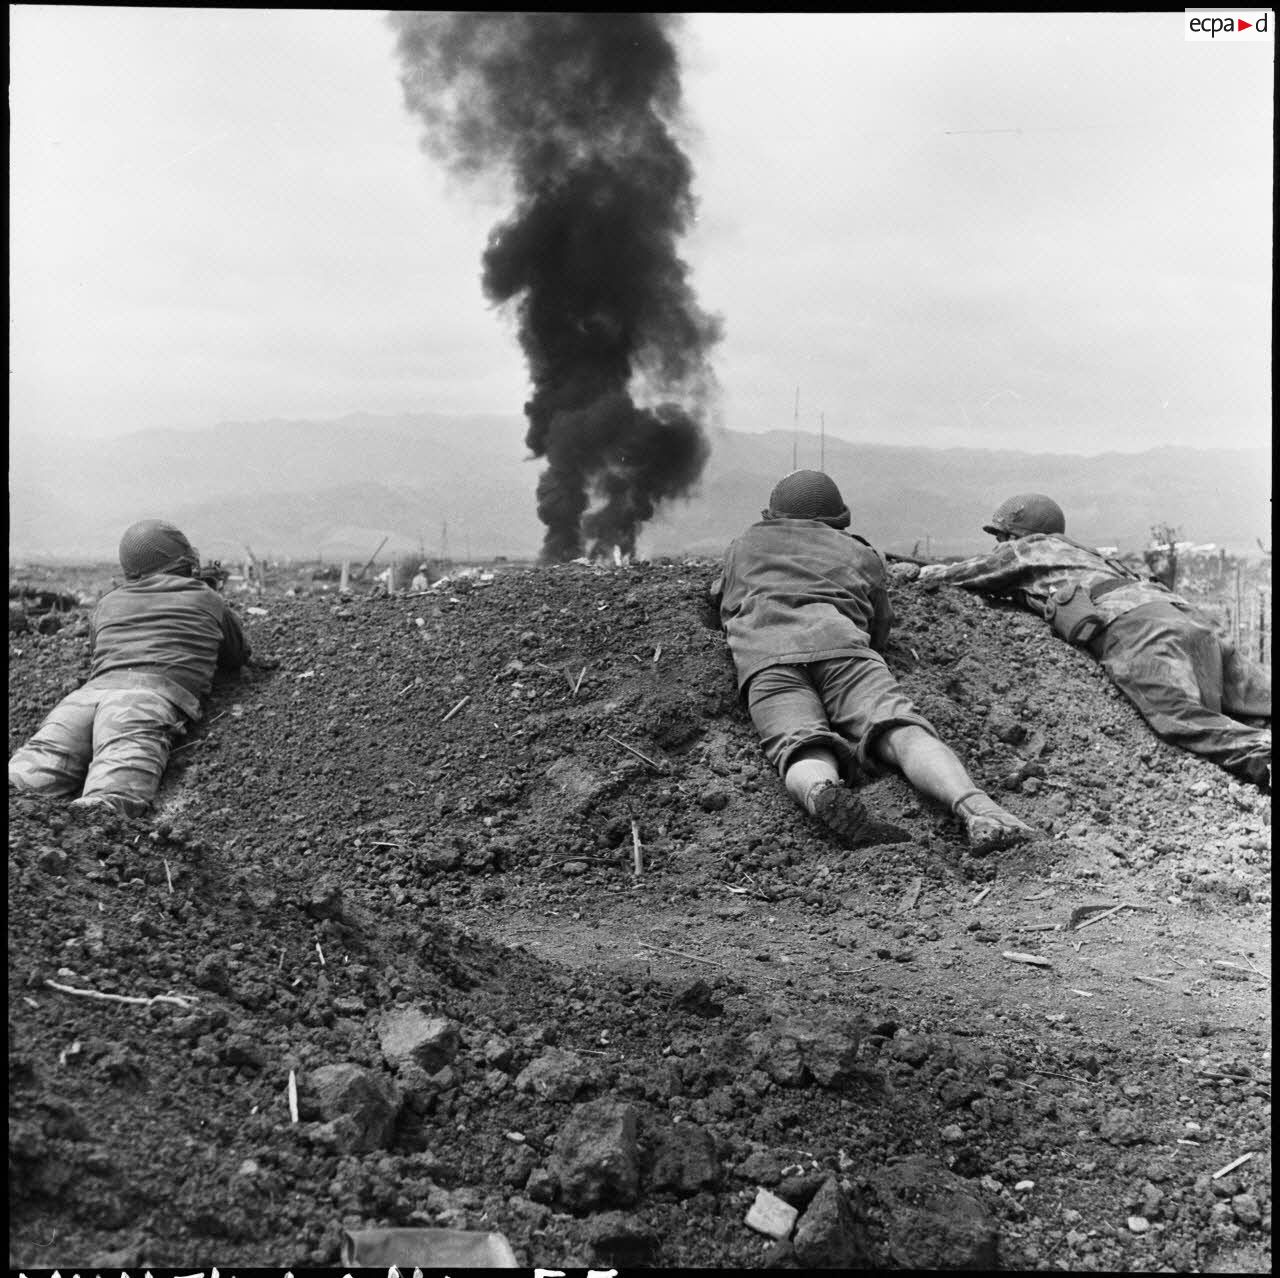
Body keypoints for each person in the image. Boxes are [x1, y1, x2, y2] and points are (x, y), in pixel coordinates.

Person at [710, 470, 1035, 853]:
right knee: (904, 733)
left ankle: (820, 792)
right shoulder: (861, 553)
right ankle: (978, 808)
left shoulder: (742, 546)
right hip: (846, 651)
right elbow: (880, 626)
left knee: (801, 745)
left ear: (774, 511)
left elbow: (722, 604)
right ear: (837, 516)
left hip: (767, 657)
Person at [897, 493, 1271, 789]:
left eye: (999, 538)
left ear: (1013, 535)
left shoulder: (1027, 548)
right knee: (1258, 699)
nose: (997, 546)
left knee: (1182, 718)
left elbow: (953, 576)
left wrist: (906, 569)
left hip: (1139, 627)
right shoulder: (1086, 554)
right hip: (1183, 616)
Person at [8, 518, 253, 817]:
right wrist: (209, 591)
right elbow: (238, 653)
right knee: (104, 809)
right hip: (142, 702)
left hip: (84, 699)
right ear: (185, 559)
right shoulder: (207, 598)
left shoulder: (107, 603)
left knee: (19, 782)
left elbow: (99, 648)